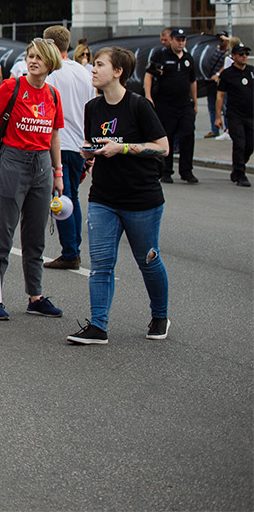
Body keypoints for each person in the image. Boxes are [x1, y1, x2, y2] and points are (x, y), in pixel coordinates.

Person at [68, 47, 171, 345]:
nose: (93, 70)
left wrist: (123, 147)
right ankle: (98, 325)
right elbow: (94, 140)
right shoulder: (92, 108)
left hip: (141, 198)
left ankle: (160, 315)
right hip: (103, 197)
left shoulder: (139, 105)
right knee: (101, 263)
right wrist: (88, 152)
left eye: (99, 65)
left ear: (118, 72)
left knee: (148, 260)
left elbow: (162, 147)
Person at [0, 38, 66, 321]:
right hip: (13, 161)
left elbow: (54, 135)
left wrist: (58, 172)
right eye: (30, 56)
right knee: (4, 232)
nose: (32, 60)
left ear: (50, 63)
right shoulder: (11, 87)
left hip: (41, 166)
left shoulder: (52, 94)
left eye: (39, 57)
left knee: (35, 236)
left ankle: (35, 296)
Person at [42, 26, 96, 271]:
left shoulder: (52, 74)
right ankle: (73, 248)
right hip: (79, 143)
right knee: (71, 197)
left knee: (61, 198)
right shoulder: (83, 73)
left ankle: (70, 251)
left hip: (58, 143)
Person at [144, 27, 198, 184]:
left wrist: (194, 101)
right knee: (167, 136)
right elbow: (149, 75)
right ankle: (166, 171)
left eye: (183, 40)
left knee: (188, 135)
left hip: (184, 104)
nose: (181, 43)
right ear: (172, 40)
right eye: (178, 40)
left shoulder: (188, 58)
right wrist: (148, 96)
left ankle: (187, 171)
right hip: (166, 104)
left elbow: (192, 81)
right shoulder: (161, 56)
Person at [214, 43, 252, 187]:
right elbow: (220, 96)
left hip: (251, 115)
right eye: (241, 54)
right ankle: (240, 174)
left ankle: (237, 167)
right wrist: (218, 117)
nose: (244, 57)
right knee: (240, 143)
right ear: (234, 56)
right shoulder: (227, 74)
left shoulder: (251, 71)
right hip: (235, 115)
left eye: (246, 54)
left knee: (250, 144)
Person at [204, 32, 231, 138]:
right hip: (211, 83)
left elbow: (227, 64)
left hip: (222, 82)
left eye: (222, 39)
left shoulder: (228, 52)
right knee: (212, 106)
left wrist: (218, 74)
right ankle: (214, 129)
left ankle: (227, 129)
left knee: (224, 106)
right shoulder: (213, 49)